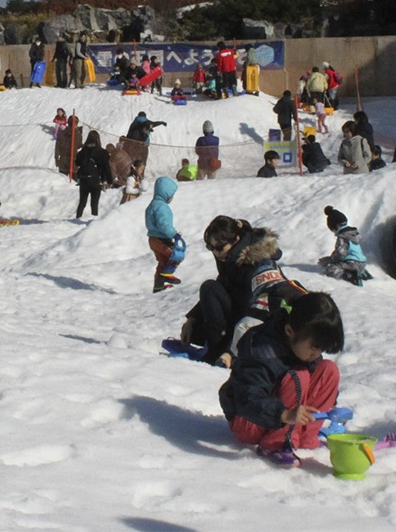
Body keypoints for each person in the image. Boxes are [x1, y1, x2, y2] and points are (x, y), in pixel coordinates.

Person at [218, 292, 345, 466]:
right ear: (290, 331)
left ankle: (306, 438)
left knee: (329, 370)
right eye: (313, 348)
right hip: (249, 420)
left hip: (284, 418)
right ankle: (276, 444)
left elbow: (317, 376)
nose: (316, 354)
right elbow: (247, 398)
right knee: (297, 375)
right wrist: (283, 414)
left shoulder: (302, 348)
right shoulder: (262, 350)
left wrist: (331, 407)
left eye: (320, 350)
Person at [179, 216, 305, 368]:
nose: (216, 253)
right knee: (198, 322)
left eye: (219, 248)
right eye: (210, 248)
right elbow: (222, 286)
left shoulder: (256, 262)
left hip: (257, 318)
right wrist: (192, 319)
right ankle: (216, 344)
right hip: (239, 313)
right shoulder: (231, 257)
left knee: (209, 289)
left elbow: (259, 307)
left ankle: (217, 351)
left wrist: (228, 350)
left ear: (236, 239)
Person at [145, 177, 182, 293]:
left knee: (163, 261)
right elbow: (164, 225)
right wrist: (174, 234)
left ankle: (158, 286)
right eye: (171, 194)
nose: (172, 197)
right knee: (176, 255)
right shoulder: (162, 207)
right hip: (161, 239)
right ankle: (167, 274)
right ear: (166, 193)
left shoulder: (152, 205)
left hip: (152, 239)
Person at [322, 206, 370, 286]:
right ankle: (362, 273)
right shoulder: (354, 234)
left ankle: (349, 276)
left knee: (331, 269)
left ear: (335, 227)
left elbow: (340, 253)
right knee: (350, 266)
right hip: (362, 262)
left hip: (351, 263)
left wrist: (330, 260)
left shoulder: (342, 237)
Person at [74, 130, 114, 219]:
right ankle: (92, 223)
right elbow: (106, 167)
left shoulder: (83, 151)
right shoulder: (102, 152)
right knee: (94, 204)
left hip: (84, 180)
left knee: (82, 202)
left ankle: (77, 218)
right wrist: (110, 180)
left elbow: (77, 162)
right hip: (96, 180)